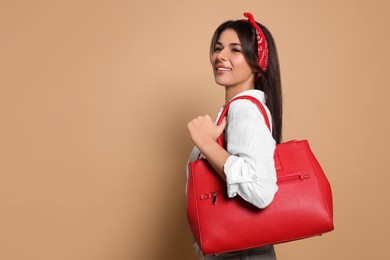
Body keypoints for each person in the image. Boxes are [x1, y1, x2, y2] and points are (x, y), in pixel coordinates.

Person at [186, 12, 282, 259]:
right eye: (218, 48)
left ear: (256, 62)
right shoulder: (235, 111)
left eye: (235, 50)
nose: (221, 56)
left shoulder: (244, 110)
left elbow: (260, 190)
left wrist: (207, 143)